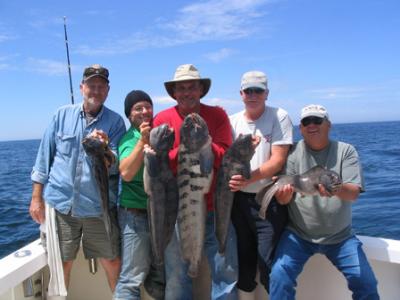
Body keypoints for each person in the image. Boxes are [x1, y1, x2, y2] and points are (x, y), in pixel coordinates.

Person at [29, 64, 126, 292]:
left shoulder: (115, 122)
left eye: (101, 86)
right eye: (91, 85)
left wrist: (105, 150)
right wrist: (36, 198)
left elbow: (117, 165)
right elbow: (44, 157)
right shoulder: (61, 115)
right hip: (63, 206)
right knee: (62, 263)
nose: (96, 90)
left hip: (98, 207)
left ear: (108, 90)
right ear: (82, 87)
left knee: (112, 261)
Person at [269, 104, 379, 299]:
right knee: (279, 275)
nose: (312, 125)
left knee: (366, 282)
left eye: (317, 121)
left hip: (340, 236)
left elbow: (353, 193)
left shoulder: (346, 151)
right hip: (298, 235)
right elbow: (285, 199)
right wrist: (283, 195)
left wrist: (335, 189)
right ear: (300, 128)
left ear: (329, 125)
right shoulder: (292, 152)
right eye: (306, 122)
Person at [153, 64, 238, 300]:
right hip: (177, 212)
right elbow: (158, 165)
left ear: (201, 89)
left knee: (226, 274)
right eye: (182, 88)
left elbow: (226, 155)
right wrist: (187, 151)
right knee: (178, 278)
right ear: (174, 92)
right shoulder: (162, 119)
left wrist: (203, 145)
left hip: (216, 210)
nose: (187, 92)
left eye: (192, 87)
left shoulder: (218, 115)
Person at [229, 71, 293, 295]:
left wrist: (249, 177)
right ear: (241, 94)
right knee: (242, 264)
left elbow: (278, 159)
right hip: (237, 202)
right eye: (248, 91)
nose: (253, 95)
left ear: (267, 93)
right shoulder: (232, 122)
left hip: (268, 200)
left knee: (269, 263)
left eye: (258, 90)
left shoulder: (279, 116)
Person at [113, 90, 155, 300]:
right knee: (131, 280)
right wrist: (142, 141)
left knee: (159, 277)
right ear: (129, 115)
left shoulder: (159, 132)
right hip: (135, 216)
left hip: (160, 215)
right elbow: (127, 173)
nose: (145, 111)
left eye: (148, 106)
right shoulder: (129, 138)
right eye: (138, 108)